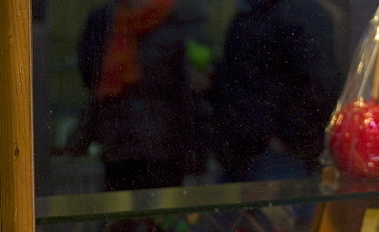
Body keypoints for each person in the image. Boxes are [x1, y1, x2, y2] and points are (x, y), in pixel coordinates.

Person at [75, 0, 210, 192]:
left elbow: (196, 95)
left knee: (161, 216)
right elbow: (95, 83)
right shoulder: (107, 21)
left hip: (164, 151)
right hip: (119, 147)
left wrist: (196, 156)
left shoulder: (183, 22)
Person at [211, 0, 343, 183]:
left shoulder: (296, 13)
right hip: (244, 147)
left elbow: (319, 86)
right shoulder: (254, 10)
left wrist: (286, 139)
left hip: (272, 152)